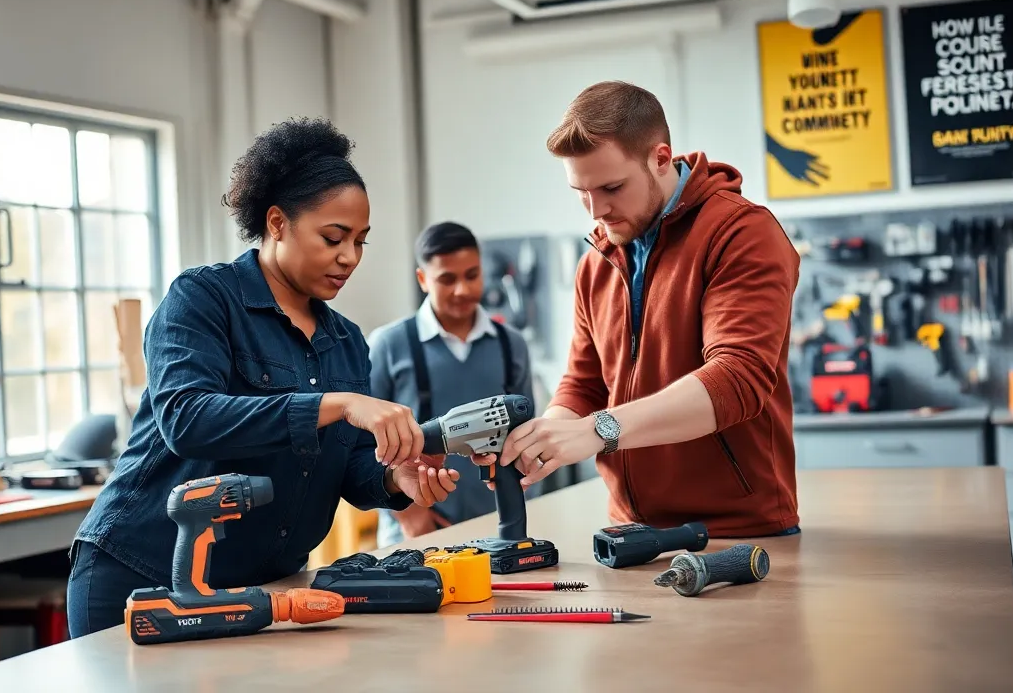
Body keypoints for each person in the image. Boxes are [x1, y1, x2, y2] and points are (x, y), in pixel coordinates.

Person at [67, 117, 463, 636]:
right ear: (277, 222)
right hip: (144, 577)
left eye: (361, 242)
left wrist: (395, 478)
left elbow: (346, 468)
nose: (349, 257)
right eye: (333, 237)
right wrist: (339, 404)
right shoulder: (204, 299)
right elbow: (187, 419)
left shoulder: (346, 341)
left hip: (262, 590)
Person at [490, 80, 801, 538]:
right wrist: (544, 438)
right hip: (630, 532)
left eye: (612, 187)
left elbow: (737, 378)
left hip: (736, 532)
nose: (596, 210)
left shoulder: (740, 233)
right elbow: (585, 383)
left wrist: (598, 430)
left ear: (660, 158)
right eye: (581, 191)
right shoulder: (596, 262)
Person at [367, 222, 536, 546]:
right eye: (447, 279)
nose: (462, 290)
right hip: (416, 533)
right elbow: (363, 446)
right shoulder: (389, 344)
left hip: (497, 529)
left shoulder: (511, 344)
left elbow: (524, 436)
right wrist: (412, 518)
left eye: (471, 275)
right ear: (423, 279)